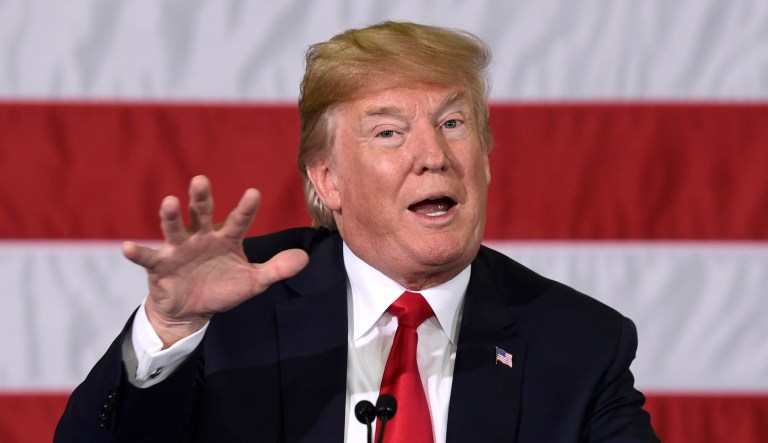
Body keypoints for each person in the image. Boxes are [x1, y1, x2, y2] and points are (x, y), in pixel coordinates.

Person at [55, 21, 659, 442]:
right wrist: (170, 332)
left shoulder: (580, 342)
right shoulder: (236, 304)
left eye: (453, 123)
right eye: (389, 133)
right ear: (328, 180)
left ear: (486, 156)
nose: (433, 156)